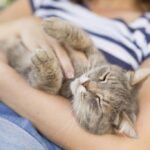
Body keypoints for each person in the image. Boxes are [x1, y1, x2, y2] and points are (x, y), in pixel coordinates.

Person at [0, 0, 150, 149]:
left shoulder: (146, 29)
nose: (88, 84)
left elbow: (134, 147)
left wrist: (5, 79)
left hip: (36, 137)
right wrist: (21, 25)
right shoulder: (45, 1)